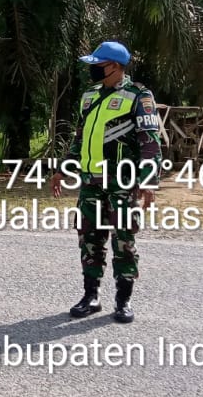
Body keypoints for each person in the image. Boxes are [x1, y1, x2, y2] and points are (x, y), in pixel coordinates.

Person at [51, 41, 162, 324]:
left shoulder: (138, 96)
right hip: (90, 183)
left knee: (123, 240)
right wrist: (63, 170)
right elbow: (79, 139)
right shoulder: (89, 96)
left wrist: (148, 180)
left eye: (97, 65)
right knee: (89, 239)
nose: (92, 69)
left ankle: (123, 301)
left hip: (121, 183)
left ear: (114, 66)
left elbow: (150, 142)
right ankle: (91, 296)